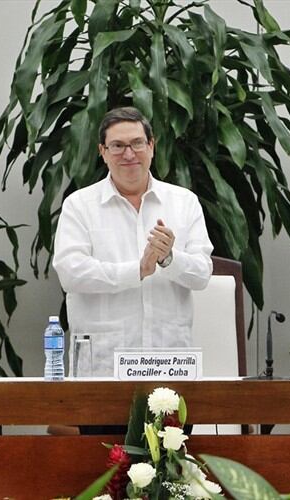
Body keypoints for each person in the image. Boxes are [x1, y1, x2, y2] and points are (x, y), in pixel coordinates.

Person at [52, 107, 214, 378]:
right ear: (102, 152)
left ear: (151, 146)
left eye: (137, 143)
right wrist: (137, 270)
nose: (129, 154)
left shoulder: (184, 202)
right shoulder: (79, 205)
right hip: (103, 369)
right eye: (117, 145)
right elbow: (71, 273)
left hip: (170, 366)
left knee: (172, 423)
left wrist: (169, 259)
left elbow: (201, 274)